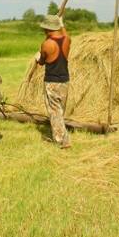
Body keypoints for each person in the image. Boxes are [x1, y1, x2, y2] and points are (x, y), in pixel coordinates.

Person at [34, 14, 71, 148]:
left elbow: (42, 62)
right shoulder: (67, 40)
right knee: (60, 110)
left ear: (47, 29)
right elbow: (65, 34)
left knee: (55, 112)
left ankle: (62, 141)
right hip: (65, 80)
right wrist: (62, 24)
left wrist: (38, 57)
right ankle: (60, 134)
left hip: (52, 82)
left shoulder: (46, 44)